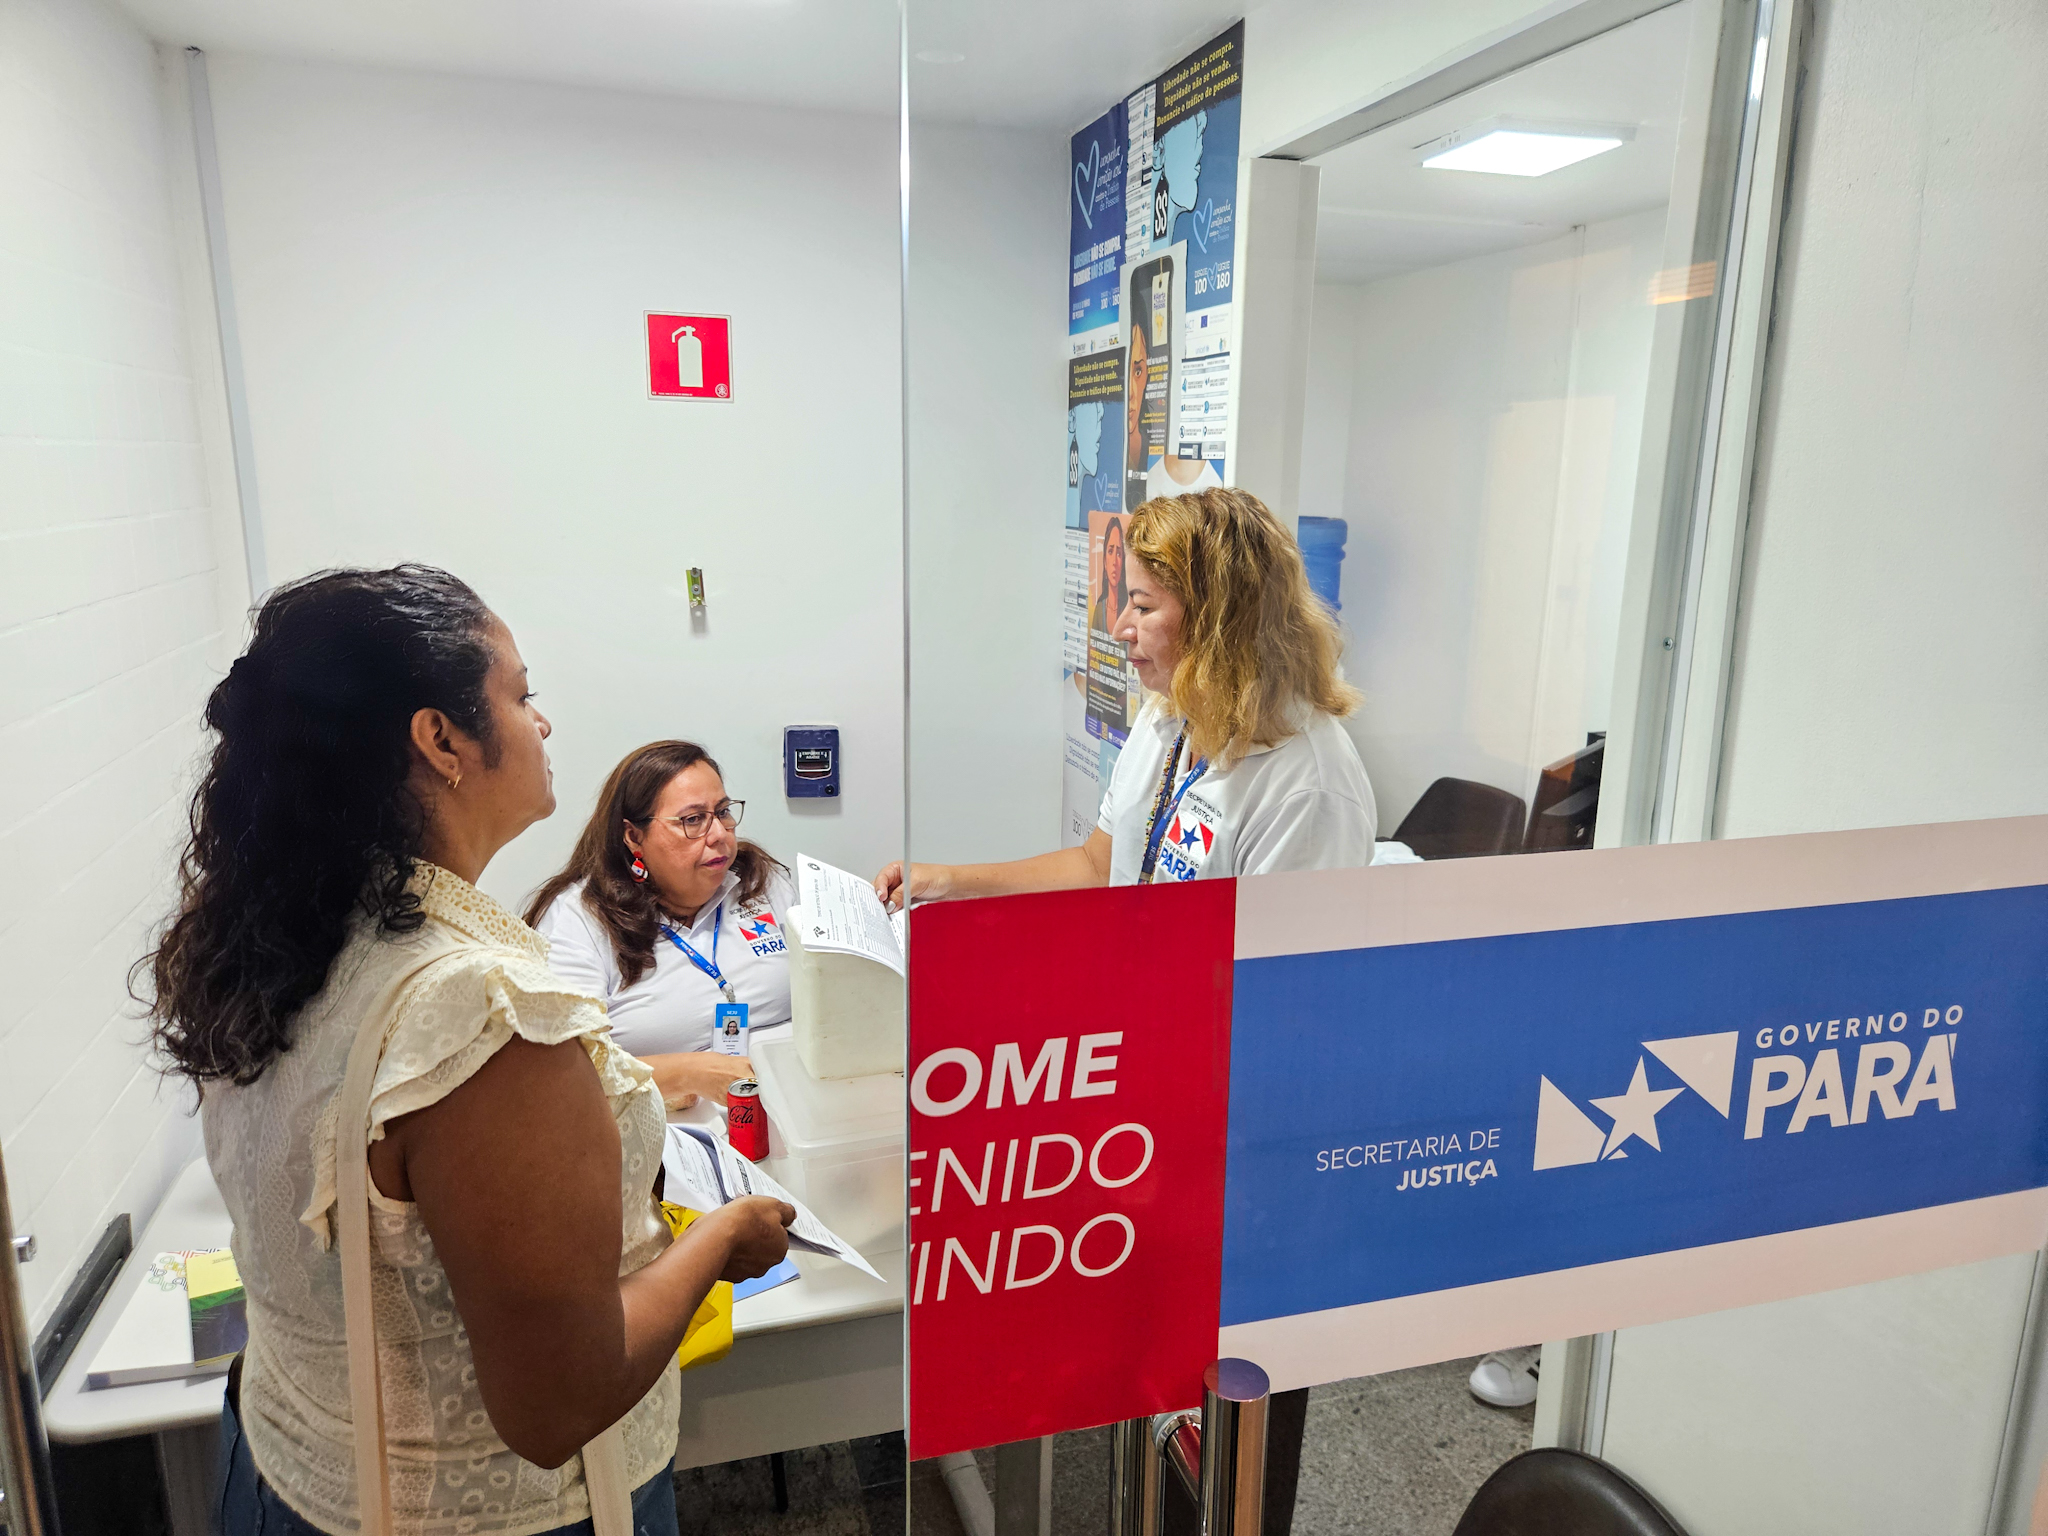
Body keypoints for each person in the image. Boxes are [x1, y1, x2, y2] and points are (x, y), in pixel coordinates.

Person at [144, 566, 793, 1536]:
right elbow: (558, 1403)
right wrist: (719, 1242)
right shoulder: (482, 1009)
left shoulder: (282, 937)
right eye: (521, 697)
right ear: (441, 740)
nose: (541, 725)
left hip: (284, 1463)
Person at [877, 485, 1378, 905]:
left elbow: (1278, 990)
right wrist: (946, 881)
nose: (1119, 628)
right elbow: (1099, 866)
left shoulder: (1309, 790)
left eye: (1142, 607)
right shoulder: (1170, 714)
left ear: (1216, 622)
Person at [526, 741, 792, 1109]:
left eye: (723, 811)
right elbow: (560, 1073)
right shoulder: (580, 919)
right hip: (667, 1139)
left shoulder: (758, 882)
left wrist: (894, 901)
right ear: (635, 837)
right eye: (693, 820)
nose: (719, 834)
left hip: (788, 1112)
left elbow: (840, 984)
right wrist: (686, 1073)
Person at [1089, 515, 1129, 635]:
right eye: (1110, 551)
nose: (1114, 562)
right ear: (1105, 560)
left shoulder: (1128, 609)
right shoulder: (1099, 610)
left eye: (1119, 553)